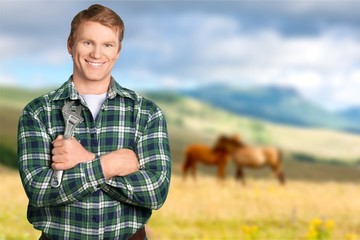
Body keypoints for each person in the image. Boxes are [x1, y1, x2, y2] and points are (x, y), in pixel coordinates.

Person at [17, 4, 171, 239]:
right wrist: (110, 165)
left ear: (118, 50)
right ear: (70, 45)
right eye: (87, 42)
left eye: (107, 45)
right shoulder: (38, 112)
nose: (96, 54)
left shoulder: (146, 113)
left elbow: (155, 191)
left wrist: (85, 159)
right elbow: (39, 191)